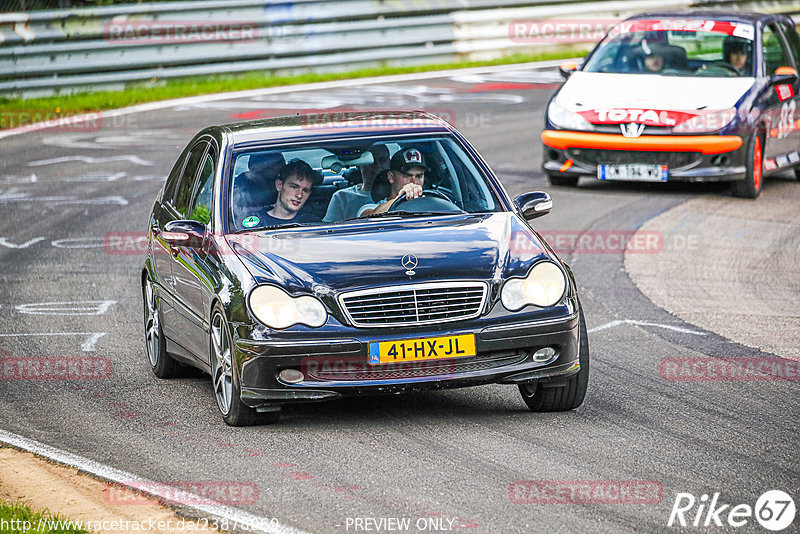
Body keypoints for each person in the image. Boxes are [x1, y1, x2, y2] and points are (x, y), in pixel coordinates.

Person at [323, 144, 390, 222]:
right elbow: (329, 229)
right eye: (370, 161)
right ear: (359, 165)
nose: (377, 165)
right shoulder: (342, 197)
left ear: (389, 163)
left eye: (382, 160)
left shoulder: (400, 192)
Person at [358, 147, 427, 217]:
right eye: (407, 176)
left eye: (419, 176)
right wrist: (400, 198)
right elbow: (368, 218)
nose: (413, 182)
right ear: (391, 177)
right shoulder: (372, 207)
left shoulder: (429, 202)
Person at [260, 159, 322, 227]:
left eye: (305, 191)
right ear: (279, 185)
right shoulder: (255, 221)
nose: (299, 195)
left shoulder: (312, 223)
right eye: (294, 187)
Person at [232, 152, 284, 224]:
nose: (276, 168)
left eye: (278, 164)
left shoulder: (286, 187)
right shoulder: (239, 186)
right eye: (270, 165)